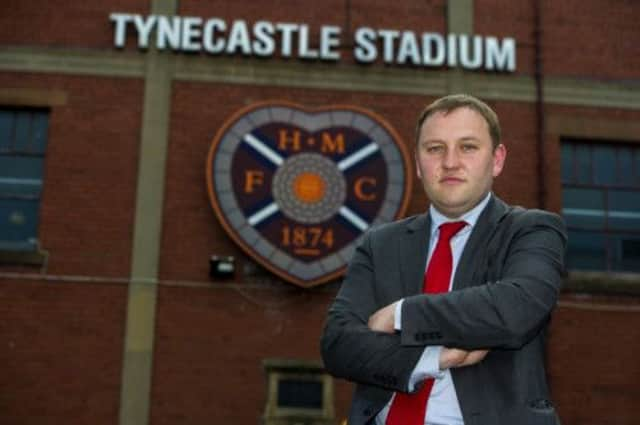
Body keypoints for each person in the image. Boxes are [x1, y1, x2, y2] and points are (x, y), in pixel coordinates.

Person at [320, 94, 567, 425]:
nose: (450, 162)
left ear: (497, 159)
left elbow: (513, 309)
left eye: (467, 147)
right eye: (435, 148)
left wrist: (401, 314)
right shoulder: (380, 244)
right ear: (419, 164)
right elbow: (339, 343)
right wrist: (431, 357)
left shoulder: (531, 231)